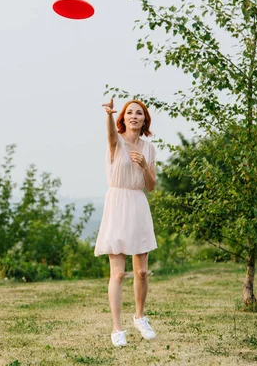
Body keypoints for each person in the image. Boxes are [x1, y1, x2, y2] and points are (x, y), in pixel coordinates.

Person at [94, 98, 157, 347]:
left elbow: (151, 187)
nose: (133, 116)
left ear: (144, 120)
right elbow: (110, 134)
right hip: (117, 204)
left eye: (138, 113)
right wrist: (108, 115)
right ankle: (117, 329)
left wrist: (144, 166)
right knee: (118, 274)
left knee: (141, 270)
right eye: (129, 113)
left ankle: (140, 317)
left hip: (138, 204)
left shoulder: (150, 149)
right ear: (123, 118)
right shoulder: (115, 142)